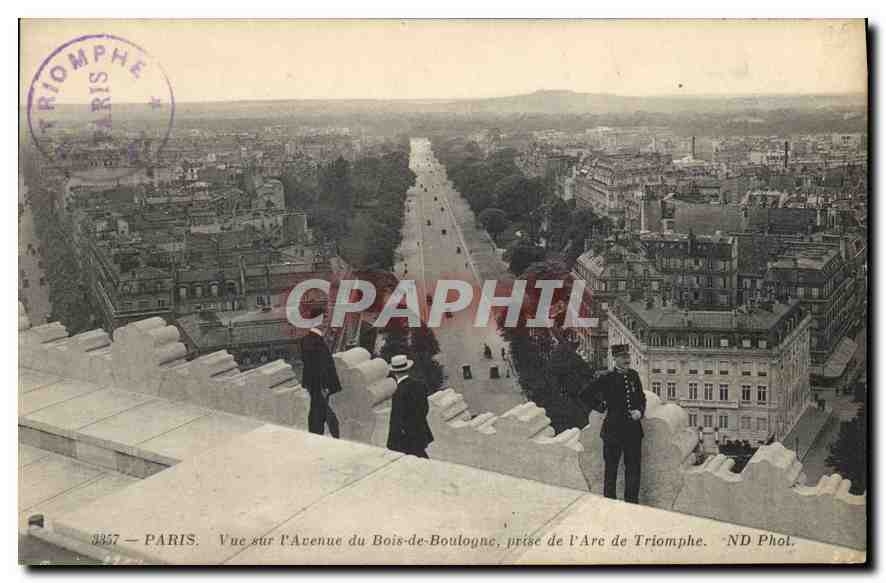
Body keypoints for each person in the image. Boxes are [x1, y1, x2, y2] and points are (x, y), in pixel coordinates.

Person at [578, 344, 646, 503]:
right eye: (623, 357)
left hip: (633, 432)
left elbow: (642, 399)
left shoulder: (634, 376)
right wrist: (601, 407)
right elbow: (584, 394)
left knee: (634, 471)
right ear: (614, 359)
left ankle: (632, 505)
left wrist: (639, 412)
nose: (626, 360)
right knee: (611, 471)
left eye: (627, 357)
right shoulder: (606, 377)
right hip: (613, 432)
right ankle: (609, 505)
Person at [299, 310, 341, 438]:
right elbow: (317, 366)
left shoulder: (313, 339)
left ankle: (318, 435)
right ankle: (327, 435)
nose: (327, 322)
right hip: (319, 386)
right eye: (325, 319)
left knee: (319, 414)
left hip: (318, 386)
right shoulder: (312, 341)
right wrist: (324, 386)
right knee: (322, 415)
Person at [386, 354, 434, 458]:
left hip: (406, 439)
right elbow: (424, 409)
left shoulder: (398, 392)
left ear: (394, 372)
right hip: (421, 433)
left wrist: (391, 442)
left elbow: (396, 419)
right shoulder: (420, 385)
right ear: (408, 369)